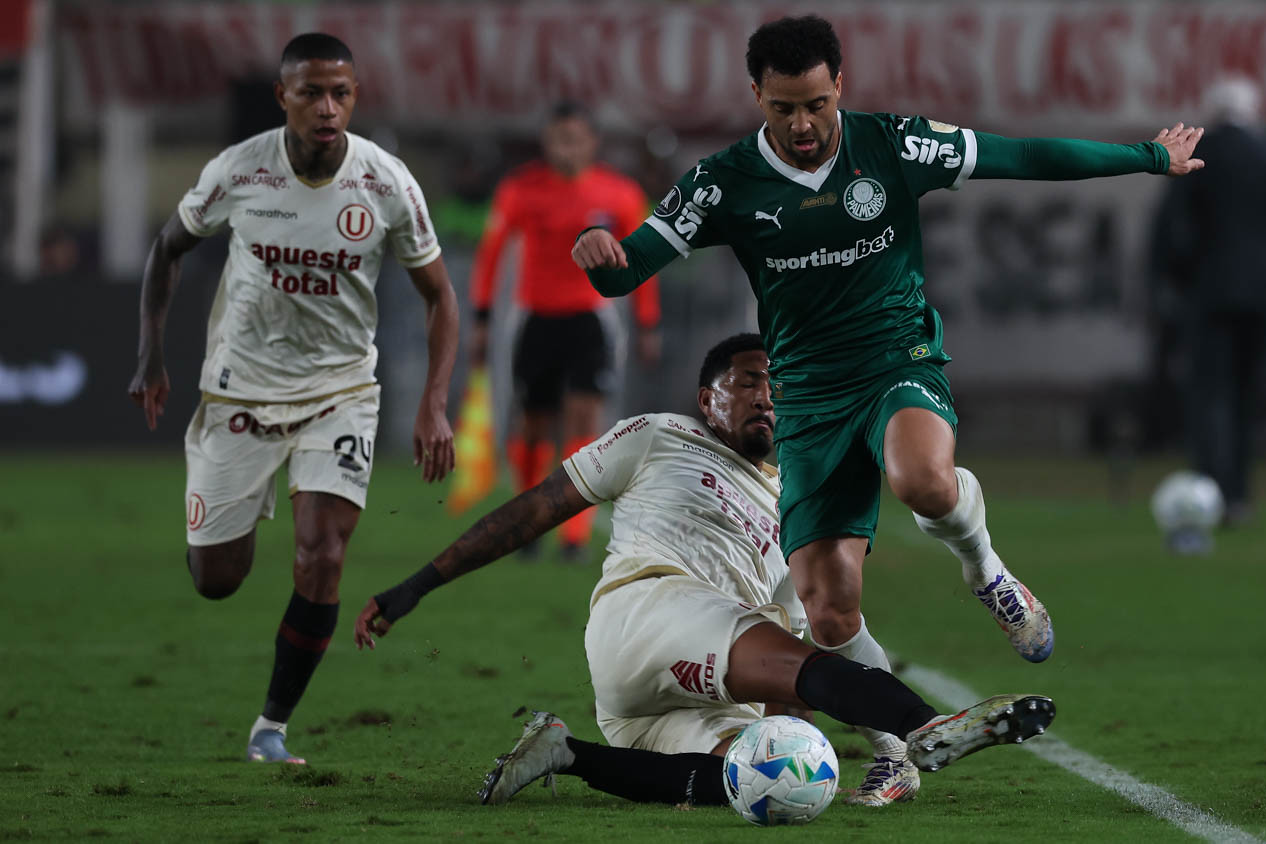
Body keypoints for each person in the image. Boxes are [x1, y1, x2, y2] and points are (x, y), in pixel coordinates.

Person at [572, 16, 1202, 687]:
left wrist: (1147, 157)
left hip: (896, 360)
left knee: (922, 481)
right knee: (828, 612)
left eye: (818, 103)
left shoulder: (895, 145)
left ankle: (987, 570)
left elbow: (1020, 157)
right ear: (757, 96)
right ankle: (897, 746)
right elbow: (625, 268)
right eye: (784, 109)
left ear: (840, 85)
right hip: (808, 395)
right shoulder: (722, 183)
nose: (804, 124)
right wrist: (598, 253)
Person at [353, 334, 1055, 808]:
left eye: (778, 386)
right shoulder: (659, 436)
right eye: (748, 382)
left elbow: (818, 635)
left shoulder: (796, 501)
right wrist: (414, 586)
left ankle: (564, 754)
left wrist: (846, 735)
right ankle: (930, 725)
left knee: (773, 774)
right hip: (648, 613)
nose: (766, 397)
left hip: (678, 689)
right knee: (785, 663)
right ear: (706, 398)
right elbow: (534, 510)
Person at [127, 33, 459, 764]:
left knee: (323, 554)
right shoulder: (239, 170)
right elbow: (166, 249)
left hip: (340, 390)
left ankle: (271, 727)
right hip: (240, 388)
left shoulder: (387, 183)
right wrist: (151, 357)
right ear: (284, 97)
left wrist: (433, 401)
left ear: (355, 97)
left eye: (341, 92)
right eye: (311, 92)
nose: (327, 107)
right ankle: (234, 516)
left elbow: (441, 297)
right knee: (217, 579)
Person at [468, 102, 662, 557]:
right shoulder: (521, 190)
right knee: (533, 422)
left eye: (575, 139)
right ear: (546, 142)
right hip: (535, 318)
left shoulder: (620, 194)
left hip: (590, 319)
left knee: (583, 419)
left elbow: (643, 261)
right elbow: (490, 254)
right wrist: (480, 317)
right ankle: (530, 520)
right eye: (559, 139)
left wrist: (648, 323)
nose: (567, 148)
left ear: (592, 142)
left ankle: (573, 532)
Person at [1151, 77, 1266, 524]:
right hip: (1263, 296)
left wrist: (1174, 280)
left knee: (1210, 395)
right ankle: (1240, 494)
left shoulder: (1199, 155)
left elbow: (1173, 229)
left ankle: (1210, 491)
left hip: (1209, 293)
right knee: (1248, 394)